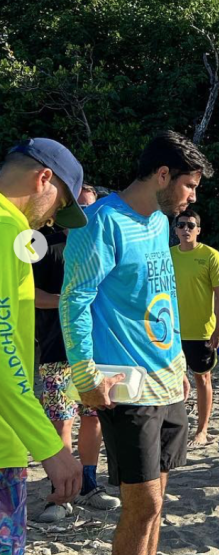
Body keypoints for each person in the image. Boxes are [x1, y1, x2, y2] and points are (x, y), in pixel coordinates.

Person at [61, 131, 212, 555]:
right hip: (126, 384)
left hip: (167, 377)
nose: (192, 199)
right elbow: (75, 299)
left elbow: (160, 297)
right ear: (163, 175)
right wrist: (84, 373)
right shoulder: (101, 221)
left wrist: (179, 362)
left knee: (158, 503)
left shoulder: (161, 221)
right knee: (142, 504)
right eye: (190, 186)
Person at [0, 138, 87, 554]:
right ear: (43, 180)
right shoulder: (7, 227)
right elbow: (2, 350)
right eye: (60, 203)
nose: (53, 218)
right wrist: (51, 446)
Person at [33, 184, 120, 523]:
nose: (85, 215)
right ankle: (59, 494)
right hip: (57, 350)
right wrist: (71, 301)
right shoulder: (46, 246)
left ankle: (88, 485)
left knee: (93, 417)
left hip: (98, 351)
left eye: (91, 208)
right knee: (61, 421)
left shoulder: (103, 247)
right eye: (79, 208)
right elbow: (31, 293)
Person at [170, 209, 219, 447]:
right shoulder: (167, 255)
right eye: (181, 225)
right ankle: (175, 429)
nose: (186, 229)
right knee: (171, 381)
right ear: (175, 229)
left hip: (202, 331)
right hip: (170, 332)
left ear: (198, 230)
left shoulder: (211, 256)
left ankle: (202, 430)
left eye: (191, 225)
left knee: (202, 379)